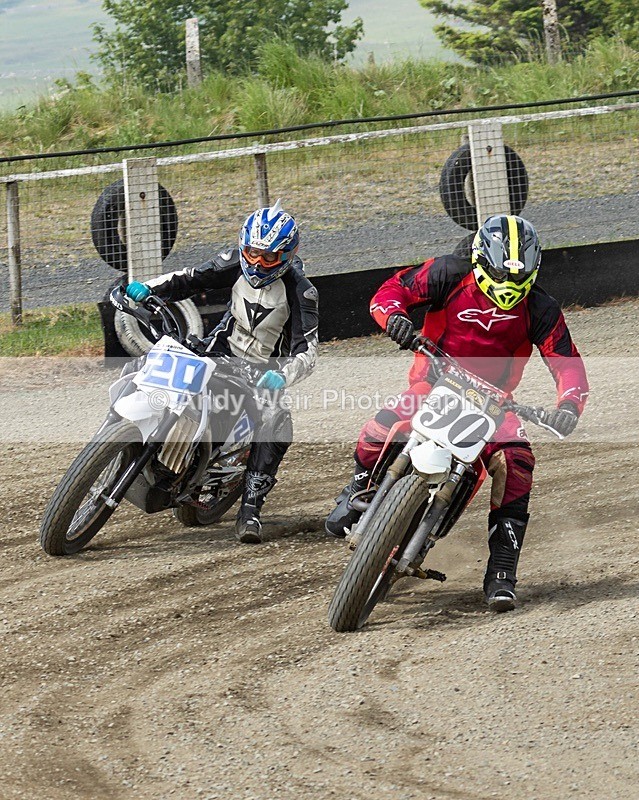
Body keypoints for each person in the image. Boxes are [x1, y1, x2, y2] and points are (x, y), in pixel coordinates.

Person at [325, 214, 589, 611]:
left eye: (518, 280)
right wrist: (395, 318)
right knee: (381, 425)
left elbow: (567, 361)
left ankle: (502, 569)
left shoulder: (541, 308)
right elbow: (392, 290)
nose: (508, 288)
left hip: (495, 403)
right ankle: (358, 483)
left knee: (517, 461)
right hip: (432, 382)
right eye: (501, 276)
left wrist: (568, 405)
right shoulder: (448, 273)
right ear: (482, 260)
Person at [125, 200, 319, 544]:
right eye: (253, 252)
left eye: (270, 257)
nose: (258, 263)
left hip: (261, 374)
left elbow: (308, 349)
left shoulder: (301, 291)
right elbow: (189, 279)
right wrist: (148, 288)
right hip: (216, 352)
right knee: (149, 364)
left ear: (288, 255)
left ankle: (250, 509)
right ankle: (132, 437)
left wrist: (283, 376)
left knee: (277, 421)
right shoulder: (234, 263)